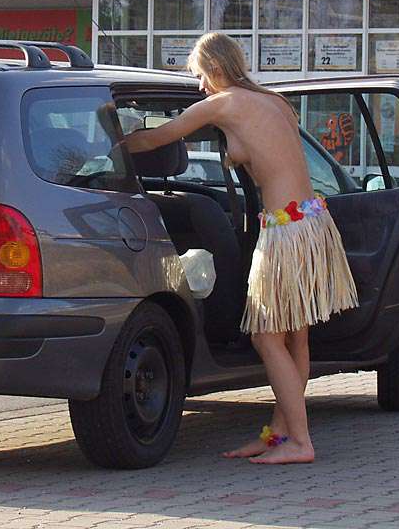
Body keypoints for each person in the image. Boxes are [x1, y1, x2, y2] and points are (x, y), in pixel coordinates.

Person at [122, 32, 358, 465]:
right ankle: (278, 435)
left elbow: (159, 138)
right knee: (295, 337)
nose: (199, 85)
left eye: (199, 75)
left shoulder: (223, 103)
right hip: (311, 222)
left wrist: (113, 144)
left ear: (214, 68)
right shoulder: (274, 101)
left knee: (266, 337)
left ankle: (300, 442)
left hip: (286, 231)